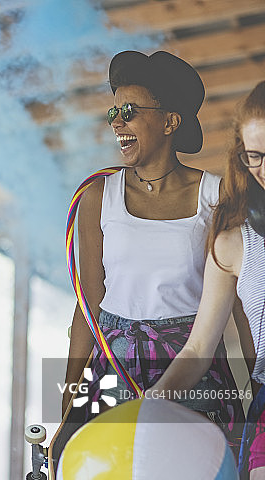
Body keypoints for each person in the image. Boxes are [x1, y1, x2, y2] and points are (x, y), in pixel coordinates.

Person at [63, 50, 245, 443]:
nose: (118, 123)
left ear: (170, 121)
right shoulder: (98, 195)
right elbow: (88, 304)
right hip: (112, 370)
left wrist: (260, 389)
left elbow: (244, 304)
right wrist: (67, 402)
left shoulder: (217, 195)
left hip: (194, 368)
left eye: (129, 110)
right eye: (113, 113)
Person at [149, 81, 265, 480]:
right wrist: (154, 402)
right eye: (254, 156)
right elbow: (198, 348)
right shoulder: (234, 245)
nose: (262, 169)